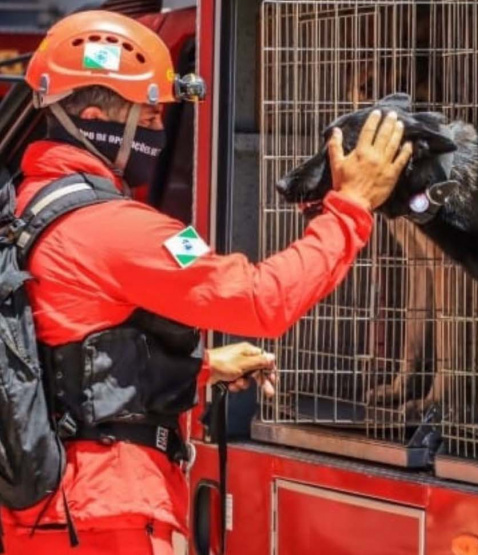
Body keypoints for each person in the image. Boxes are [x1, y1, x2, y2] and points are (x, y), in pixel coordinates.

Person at [0, 9, 412, 555]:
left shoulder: (27, 206)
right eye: (149, 117)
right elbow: (263, 300)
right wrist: (351, 206)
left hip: (50, 514)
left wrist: (202, 367)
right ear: (96, 119)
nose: (157, 132)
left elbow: (58, 357)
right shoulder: (119, 230)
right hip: (103, 516)